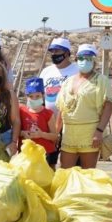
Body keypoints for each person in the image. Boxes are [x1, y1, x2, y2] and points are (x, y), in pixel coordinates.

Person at [56, 44, 112, 169]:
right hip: (69, 134)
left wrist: (99, 131)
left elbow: (108, 106)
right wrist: (56, 132)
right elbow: (61, 109)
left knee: (88, 175)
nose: (84, 61)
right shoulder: (68, 81)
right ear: (76, 60)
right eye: (81, 58)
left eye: (89, 58)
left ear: (94, 61)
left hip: (90, 134)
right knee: (65, 174)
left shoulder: (101, 80)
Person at [39, 37, 78, 166]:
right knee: (49, 160)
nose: (54, 54)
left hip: (70, 123)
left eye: (58, 51)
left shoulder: (76, 70)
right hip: (49, 123)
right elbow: (39, 95)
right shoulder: (46, 71)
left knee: (69, 161)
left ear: (67, 53)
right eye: (52, 52)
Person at [19, 77, 58, 167]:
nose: (34, 99)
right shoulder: (22, 111)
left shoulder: (48, 113)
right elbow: (16, 131)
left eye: (37, 96)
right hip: (27, 155)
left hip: (45, 154)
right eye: (31, 96)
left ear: (43, 96)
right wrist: (23, 133)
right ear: (26, 97)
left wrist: (41, 134)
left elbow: (55, 137)